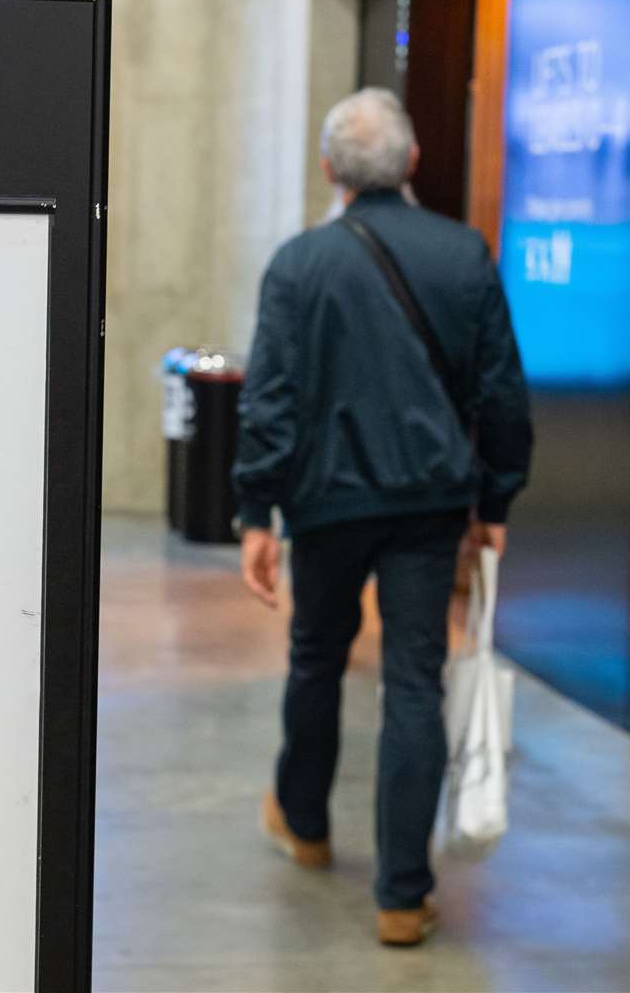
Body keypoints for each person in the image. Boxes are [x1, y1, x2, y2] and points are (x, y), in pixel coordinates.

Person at [232, 88, 532, 946]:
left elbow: (271, 399)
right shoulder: (462, 255)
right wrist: (497, 499)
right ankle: (402, 895)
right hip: (431, 505)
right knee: (413, 682)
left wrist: (257, 509)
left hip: (326, 505)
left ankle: (306, 825)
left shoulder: (299, 263)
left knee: (316, 659)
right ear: (412, 164)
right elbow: (501, 389)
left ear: (329, 170)